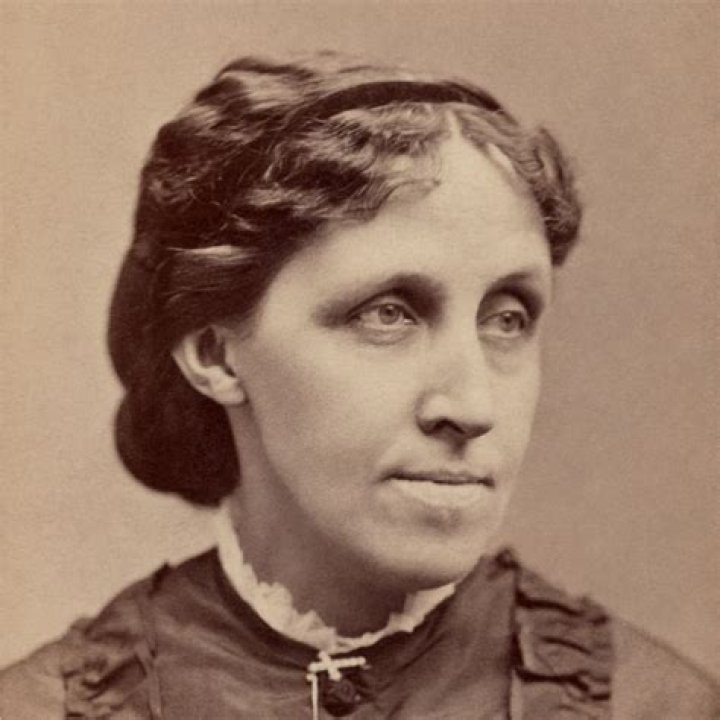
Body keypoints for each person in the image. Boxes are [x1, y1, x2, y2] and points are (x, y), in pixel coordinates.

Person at [1, 52, 717, 720]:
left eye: (507, 319)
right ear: (216, 355)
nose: (473, 406)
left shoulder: (654, 704)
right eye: (388, 314)